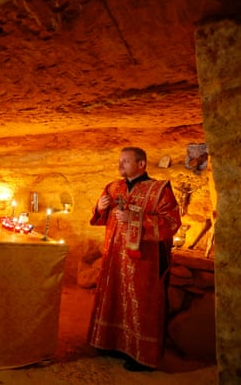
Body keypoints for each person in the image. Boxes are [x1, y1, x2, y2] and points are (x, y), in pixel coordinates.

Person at [88, 147, 181, 372]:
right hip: (114, 257)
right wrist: (99, 208)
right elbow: (101, 218)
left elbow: (171, 222)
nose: (120, 165)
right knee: (114, 297)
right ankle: (110, 343)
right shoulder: (113, 186)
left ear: (141, 164)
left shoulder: (159, 190)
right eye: (120, 160)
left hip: (144, 261)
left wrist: (135, 218)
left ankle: (142, 356)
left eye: (126, 161)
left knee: (142, 303)